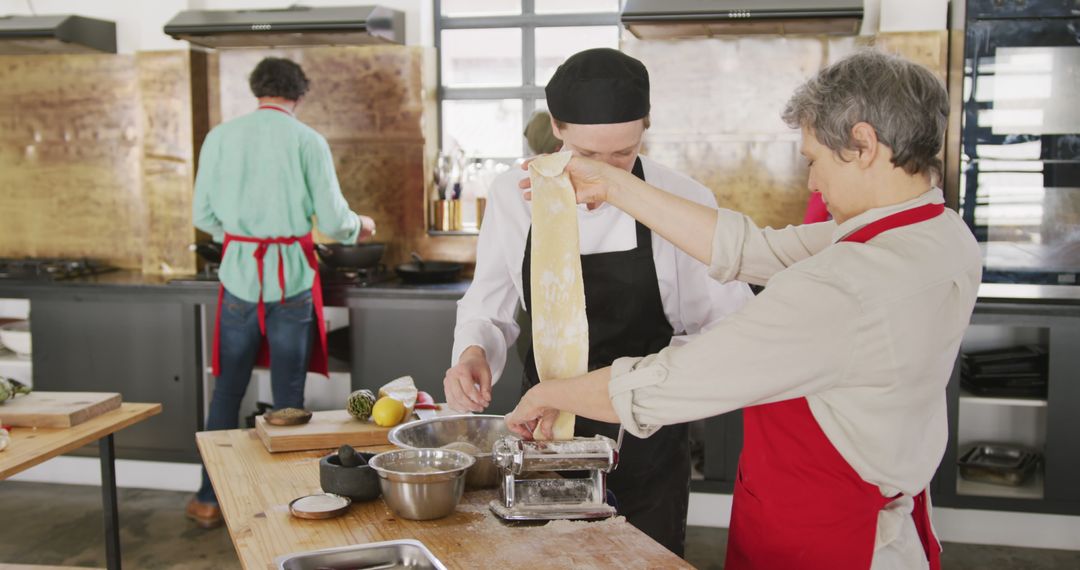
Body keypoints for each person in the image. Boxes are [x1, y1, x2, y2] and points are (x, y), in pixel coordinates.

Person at [507, 49, 981, 569]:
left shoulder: (844, 289)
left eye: (813, 160)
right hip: (881, 520)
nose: (812, 185)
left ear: (863, 144)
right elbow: (754, 249)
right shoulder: (937, 233)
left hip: (827, 541)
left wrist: (549, 392)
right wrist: (616, 184)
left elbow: (670, 383)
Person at [444, 48, 753, 555]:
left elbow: (727, 325)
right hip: (543, 433)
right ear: (558, 130)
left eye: (623, 156)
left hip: (645, 436)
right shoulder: (511, 195)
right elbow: (489, 304)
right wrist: (473, 351)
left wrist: (645, 381)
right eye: (589, 156)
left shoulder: (683, 199)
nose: (607, 176)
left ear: (645, 130)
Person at [187, 57, 375, 528]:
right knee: (287, 394)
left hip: (237, 278)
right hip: (291, 277)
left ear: (257, 91)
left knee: (227, 389)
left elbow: (204, 216)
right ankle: (287, 496)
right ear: (299, 95)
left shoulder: (220, 137)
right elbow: (334, 222)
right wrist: (359, 226)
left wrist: (241, 224)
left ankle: (210, 498)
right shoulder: (307, 140)